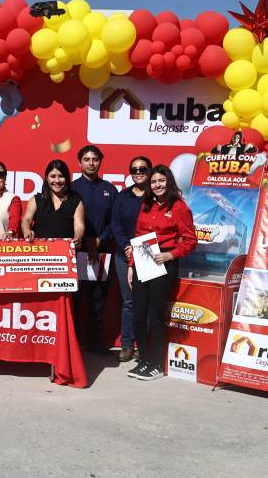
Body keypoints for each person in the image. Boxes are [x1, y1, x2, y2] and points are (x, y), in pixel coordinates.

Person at [127, 165, 197, 381]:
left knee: (155, 316)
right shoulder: (146, 204)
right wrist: (131, 264)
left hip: (164, 262)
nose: (157, 185)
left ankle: (156, 363)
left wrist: (171, 255)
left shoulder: (179, 208)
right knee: (138, 314)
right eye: (154, 182)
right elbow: (138, 235)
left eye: (161, 181)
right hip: (142, 260)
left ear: (169, 183)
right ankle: (145, 359)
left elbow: (190, 240)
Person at [71, 145, 118, 352]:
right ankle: (72, 343)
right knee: (75, 298)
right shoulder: (71, 188)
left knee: (98, 299)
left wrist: (100, 240)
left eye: (95, 159)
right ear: (79, 162)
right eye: (87, 159)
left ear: (100, 162)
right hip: (76, 252)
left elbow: (115, 221)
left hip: (101, 251)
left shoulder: (110, 189)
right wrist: (83, 240)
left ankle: (95, 343)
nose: (91, 163)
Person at [109, 156, 152, 362]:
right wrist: (127, 247)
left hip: (149, 254)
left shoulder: (156, 196)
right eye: (134, 169)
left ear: (150, 171)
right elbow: (115, 224)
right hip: (123, 253)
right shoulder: (122, 196)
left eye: (142, 169)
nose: (138, 172)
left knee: (148, 302)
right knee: (128, 302)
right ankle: (127, 344)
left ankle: (144, 346)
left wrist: (138, 249)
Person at [21, 159, 85, 243]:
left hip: (64, 252)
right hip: (39, 251)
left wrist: (78, 237)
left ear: (67, 178)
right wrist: (26, 230)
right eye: (53, 176)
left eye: (61, 176)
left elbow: (79, 226)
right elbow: (27, 219)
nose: (57, 181)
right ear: (47, 178)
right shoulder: (36, 199)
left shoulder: (76, 202)